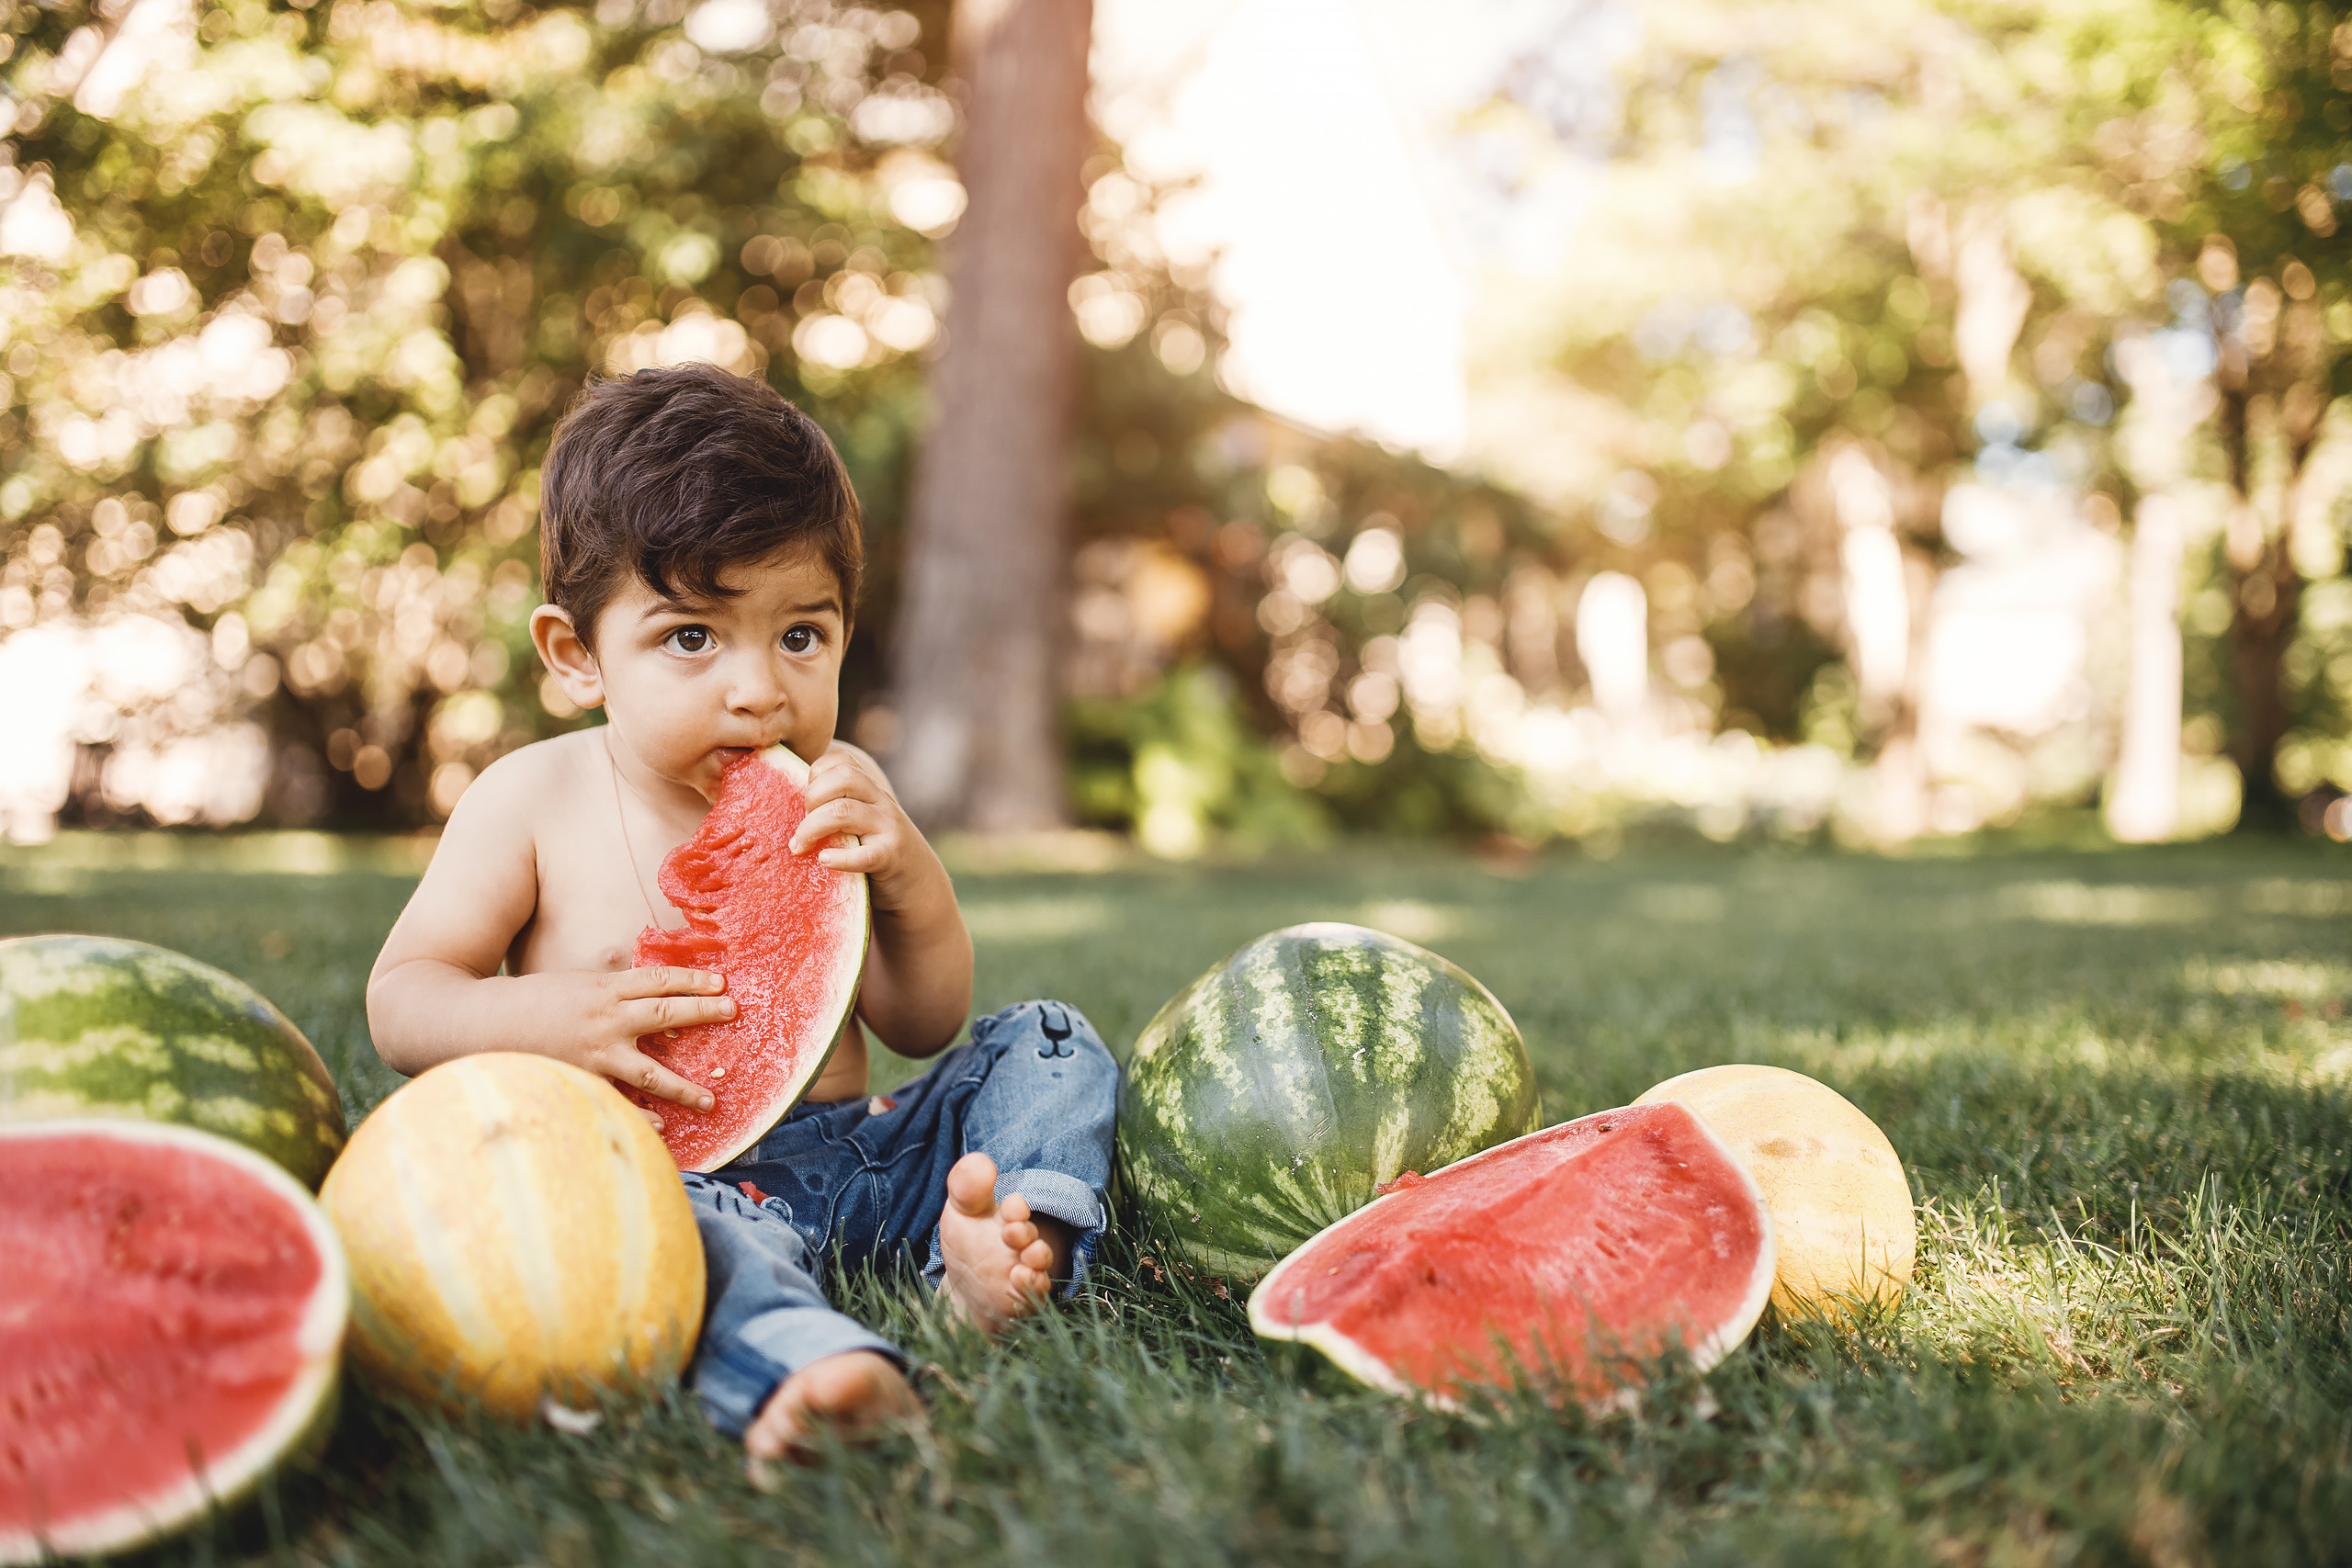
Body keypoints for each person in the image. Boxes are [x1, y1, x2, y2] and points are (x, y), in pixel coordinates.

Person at [365, 363, 1118, 1467]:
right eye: (692, 638)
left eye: (800, 636)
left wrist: (904, 869)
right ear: (577, 656)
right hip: (664, 1177)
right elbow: (402, 1002)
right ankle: (809, 1363)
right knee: (692, 1240)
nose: (758, 690)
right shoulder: (529, 801)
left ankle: (1004, 1244)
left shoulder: (838, 793)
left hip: (860, 1158)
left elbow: (923, 1020)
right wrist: (543, 1019)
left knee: (1051, 1037)